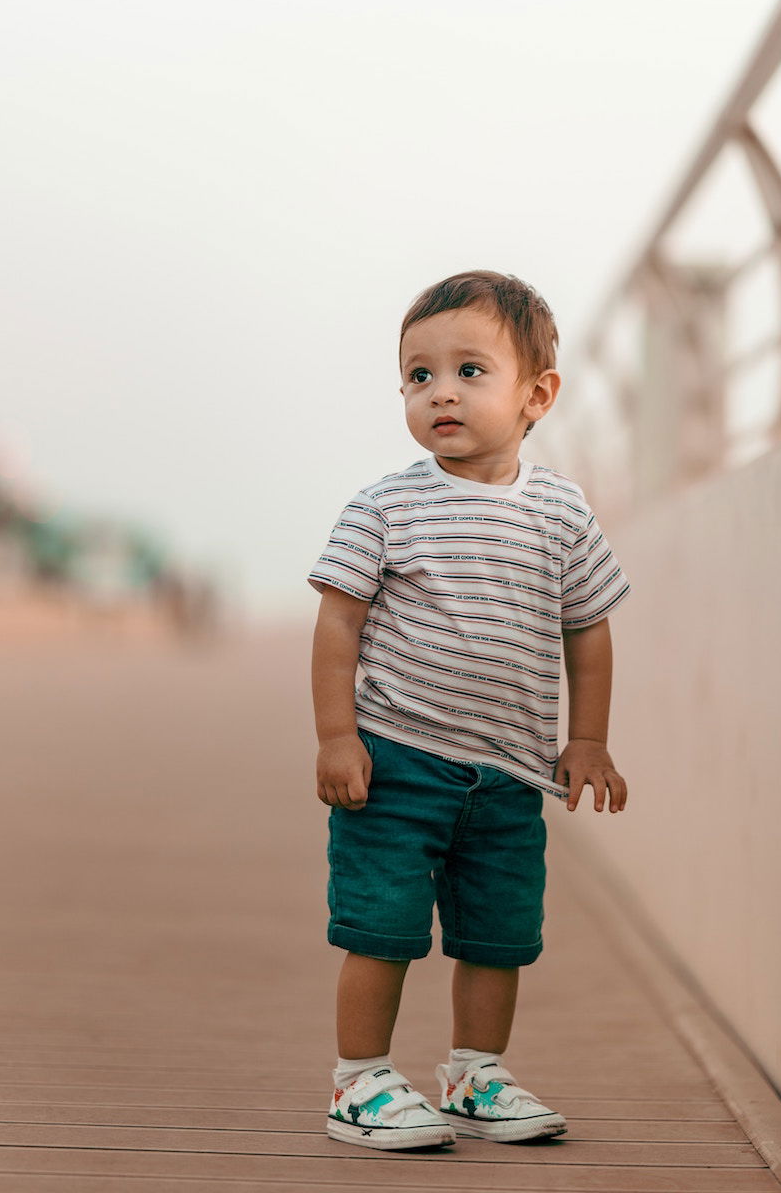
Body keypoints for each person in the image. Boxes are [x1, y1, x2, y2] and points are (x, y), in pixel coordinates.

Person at [308, 269, 631, 1151]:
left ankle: (474, 1073)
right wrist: (339, 735)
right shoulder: (387, 506)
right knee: (383, 924)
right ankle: (360, 1083)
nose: (440, 391)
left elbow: (588, 629)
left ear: (538, 395)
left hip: (511, 771)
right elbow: (339, 622)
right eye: (418, 376)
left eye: (469, 371)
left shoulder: (560, 511)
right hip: (397, 758)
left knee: (498, 933)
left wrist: (588, 739)